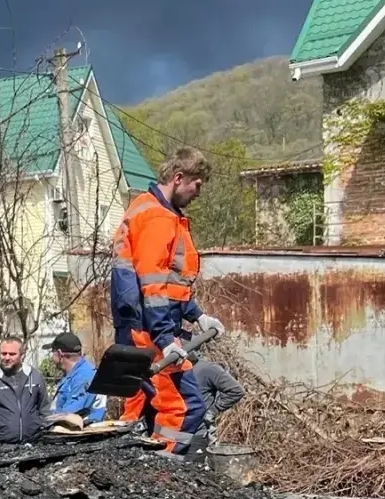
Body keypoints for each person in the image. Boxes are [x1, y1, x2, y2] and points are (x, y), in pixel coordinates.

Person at [110, 146, 224, 453]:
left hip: (150, 329)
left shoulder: (161, 213)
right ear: (178, 177)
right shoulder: (157, 216)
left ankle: (151, 467)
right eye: (197, 184)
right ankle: (163, 473)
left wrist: (197, 315)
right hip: (149, 333)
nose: (198, 192)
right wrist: (164, 338)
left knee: (152, 409)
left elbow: (171, 283)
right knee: (184, 408)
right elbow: (152, 283)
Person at [0, 336, 48, 446]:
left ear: (22, 355)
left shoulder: (34, 376)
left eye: (12, 354)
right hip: (0, 446)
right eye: (3, 353)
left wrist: (46, 433)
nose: (7, 357)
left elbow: (45, 409)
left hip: (33, 443)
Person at [46, 331, 106, 425]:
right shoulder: (73, 374)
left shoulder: (84, 376)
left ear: (59, 353)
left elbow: (69, 415)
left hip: (83, 435)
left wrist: (43, 421)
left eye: (52, 352)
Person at [192, 358, 245, 427]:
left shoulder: (206, 368)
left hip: (197, 428)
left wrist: (213, 410)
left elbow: (236, 390)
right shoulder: (176, 369)